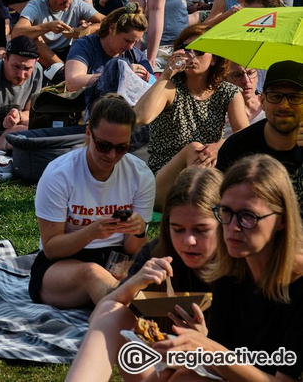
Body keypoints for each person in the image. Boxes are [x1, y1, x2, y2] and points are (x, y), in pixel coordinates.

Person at [151, 154, 303, 381]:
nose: (233, 227)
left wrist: (208, 349)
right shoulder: (230, 273)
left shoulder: (299, 283)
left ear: (281, 219)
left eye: (247, 216)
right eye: (226, 213)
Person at [65, 167, 222, 382]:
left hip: (213, 370)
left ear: (223, 224)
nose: (188, 241)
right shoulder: (156, 253)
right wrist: (133, 284)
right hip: (163, 369)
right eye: (178, 229)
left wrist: (204, 343)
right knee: (113, 310)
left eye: (201, 230)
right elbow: (99, 320)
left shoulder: (239, 265)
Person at [30, 94, 155, 309]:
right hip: (61, 265)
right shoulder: (59, 175)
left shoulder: (140, 175)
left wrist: (139, 230)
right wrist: (93, 232)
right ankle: (138, 322)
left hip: (116, 259)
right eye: (104, 146)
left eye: (122, 148)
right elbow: (51, 248)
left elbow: (134, 249)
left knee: (155, 268)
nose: (112, 155)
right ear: (88, 134)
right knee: (93, 273)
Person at [135, 24, 248, 209]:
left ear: (214, 59)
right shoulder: (170, 87)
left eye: (200, 51)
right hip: (163, 181)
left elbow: (244, 136)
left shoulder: (228, 92)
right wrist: (165, 75)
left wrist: (220, 146)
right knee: (195, 149)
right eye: (186, 49)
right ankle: (211, 208)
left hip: (208, 174)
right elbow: (140, 118)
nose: (191, 55)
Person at [218, 60, 303, 199]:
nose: (284, 105)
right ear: (262, 101)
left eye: (294, 97)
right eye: (276, 97)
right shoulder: (236, 148)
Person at [12, 0, 103, 76]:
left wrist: (87, 30)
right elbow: (16, 33)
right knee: (32, 39)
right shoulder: (36, 6)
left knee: (98, 34)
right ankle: (64, 70)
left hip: (68, 50)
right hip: (43, 55)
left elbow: (107, 21)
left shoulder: (76, 3)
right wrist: (46, 27)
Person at [65, 3, 152, 92]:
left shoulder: (134, 55)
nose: (130, 47)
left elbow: (153, 83)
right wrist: (120, 73)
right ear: (112, 28)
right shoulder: (84, 46)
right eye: (127, 41)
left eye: (135, 42)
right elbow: (72, 83)